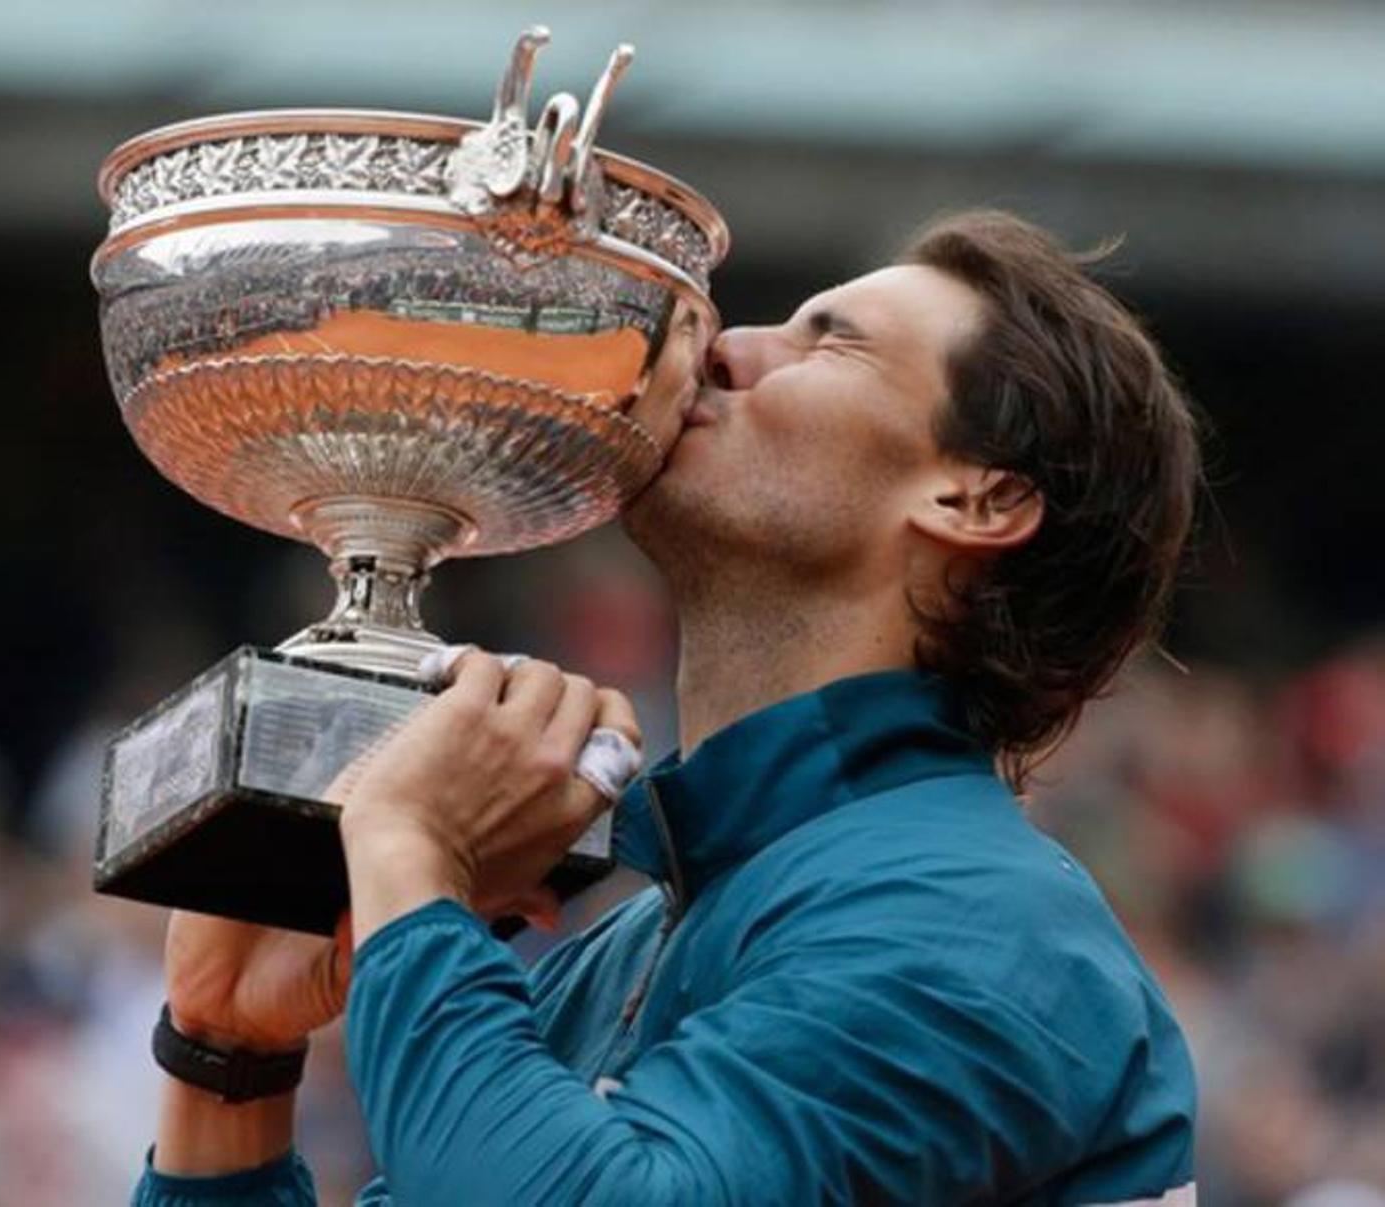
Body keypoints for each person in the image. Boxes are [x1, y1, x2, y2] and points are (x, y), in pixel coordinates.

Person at [131, 210, 1203, 1204]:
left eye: (828, 343)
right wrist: (228, 1059)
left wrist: (412, 852)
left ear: (977, 499)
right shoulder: (641, 936)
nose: (730, 347)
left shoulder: (982, 927)